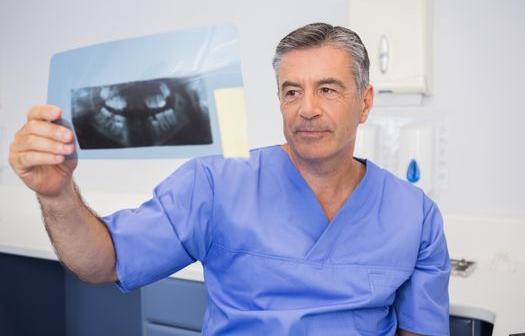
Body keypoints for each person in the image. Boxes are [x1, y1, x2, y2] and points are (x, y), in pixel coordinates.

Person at [8, 23, 450, 335]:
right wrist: (58, 194)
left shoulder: (415, 216)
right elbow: (102, 263)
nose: (307, 108)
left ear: (366, 102)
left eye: (328, 89)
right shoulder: (217, 184)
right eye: (292, 91)